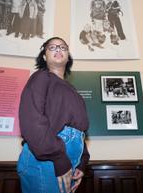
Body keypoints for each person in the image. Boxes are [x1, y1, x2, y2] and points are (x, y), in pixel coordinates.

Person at [17, 37, 90, 193]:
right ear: (44, 56)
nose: (58, 49)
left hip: (68, 162)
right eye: (52, 47)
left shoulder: (74, 91)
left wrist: (82, 162)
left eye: (63, 47)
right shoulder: (40, 77)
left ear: (68, 55)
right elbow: (32, 121)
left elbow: (80, 130)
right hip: (46, 160)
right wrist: (59, 157)